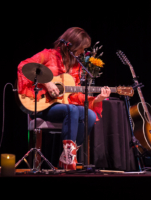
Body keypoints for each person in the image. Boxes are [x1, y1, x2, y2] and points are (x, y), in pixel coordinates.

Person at [17, 27, 111, 170]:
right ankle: (68, 158)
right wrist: (47, 82)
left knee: (90, 115)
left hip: (62, 106)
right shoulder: (48, 56)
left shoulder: (76, 67)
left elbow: (74, 96)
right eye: (81, 48)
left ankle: (67, 156)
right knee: (72, 110)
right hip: (41, 105)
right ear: (71, 44)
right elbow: (24, 66)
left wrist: (97, 99)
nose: (81, 52)